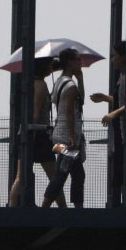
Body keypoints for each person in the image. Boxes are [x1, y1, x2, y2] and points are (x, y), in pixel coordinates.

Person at [90, 40, 126, 207]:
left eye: (115, 56)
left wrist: (113, 113)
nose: (112, 60)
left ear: (124, 58)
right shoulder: (123, 77)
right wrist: (106, 98)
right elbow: (123, 101)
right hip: (122, 133)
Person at [8, 57, 65, 207]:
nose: (51, 67)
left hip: (29, 134)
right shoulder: (40, 85)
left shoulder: (31, 84)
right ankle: (63, 208)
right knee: (54, 177)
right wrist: (31, 138)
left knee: (21, 177)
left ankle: (11, 206)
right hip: (38, 135)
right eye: (49, 65)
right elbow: (36, 113)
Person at [45, 47, 86, 208]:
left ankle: (78, 208)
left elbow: (79, 100)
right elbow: (70, 111)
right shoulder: (70, 86)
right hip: (68, 138)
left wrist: (80, 78)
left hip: (59, 134)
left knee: (77, 174)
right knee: (61, 174)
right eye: (77, 60)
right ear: (70, 62)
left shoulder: (60, 82)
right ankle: (44, 207)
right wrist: (71, 136)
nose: (80, 63)